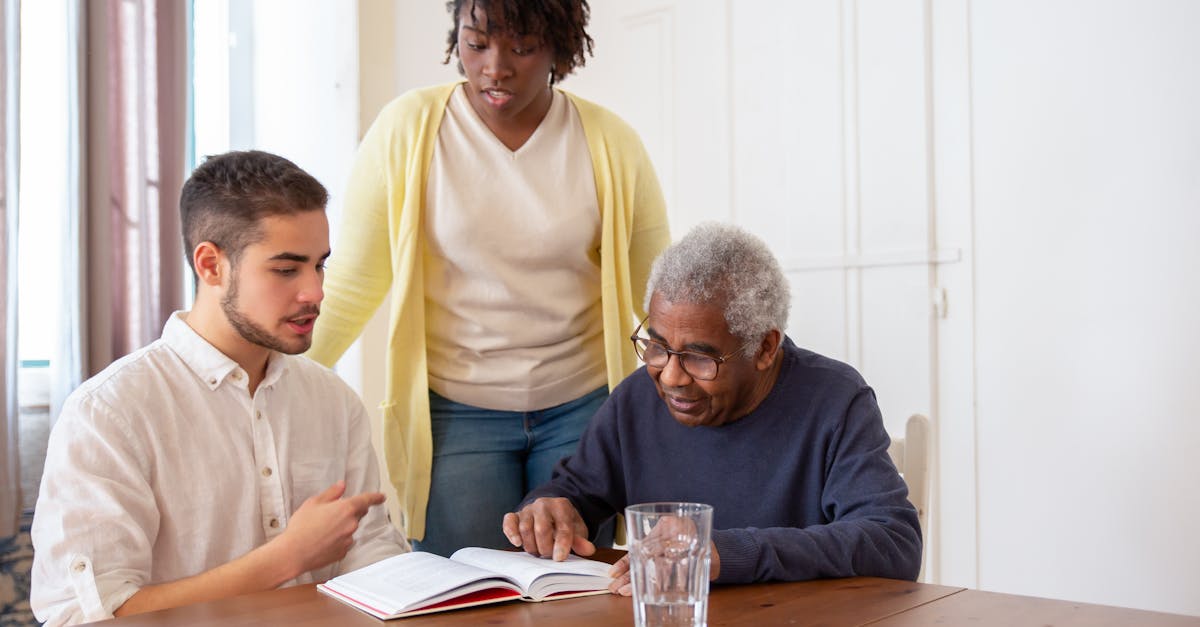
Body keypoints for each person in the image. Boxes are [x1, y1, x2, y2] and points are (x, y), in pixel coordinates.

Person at [306, 0, 670, 557]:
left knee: (572, 593)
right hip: (457, 413)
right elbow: (353, 284)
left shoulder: (608, 142)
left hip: (582, 406)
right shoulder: (408, 131)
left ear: (559, 49)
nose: (495, 68)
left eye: (521, 48)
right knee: (462, 595)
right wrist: (274, 380)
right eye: (476, 44)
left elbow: (659, 292)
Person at [30, 151, 409, 625]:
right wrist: (285, 557)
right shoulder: (109, 413)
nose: (315, 292)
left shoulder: (334, 403)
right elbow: (85, 616)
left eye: (320, 265)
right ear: (211, 266)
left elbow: (373, 560)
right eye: (287, 269)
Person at [502, 222, 923, 590]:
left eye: (700, 357)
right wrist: (552, 511)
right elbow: (576, 492)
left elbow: (893, 542)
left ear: (764, 347)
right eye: (657, 346)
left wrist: (727, 553)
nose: (670, 376)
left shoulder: (834, 400)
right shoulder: (635, 399)